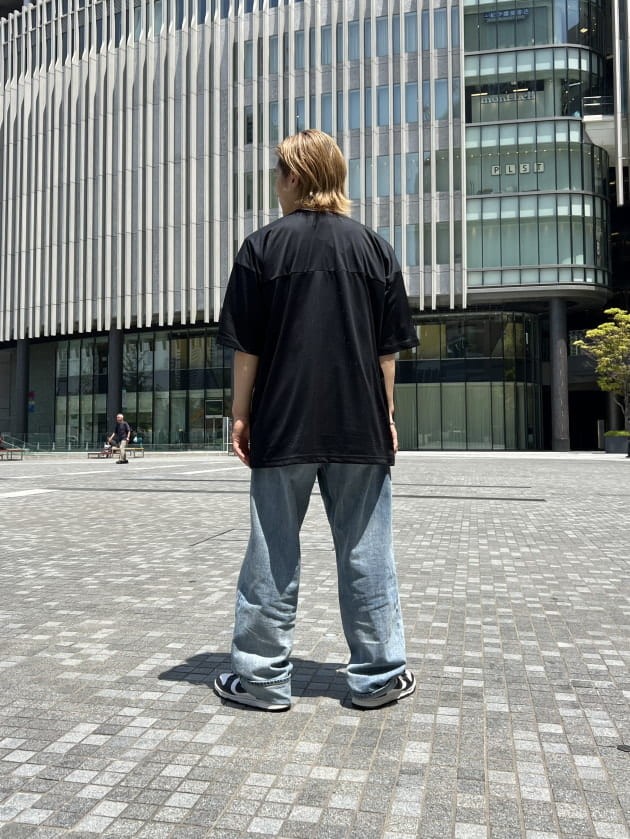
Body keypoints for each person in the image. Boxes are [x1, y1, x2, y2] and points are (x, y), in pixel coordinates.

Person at [214, 129, 419, 712]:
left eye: (278, 174)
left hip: (283, 422)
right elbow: (387, 353)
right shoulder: (375, 249)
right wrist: (386, 416)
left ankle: (261, 680)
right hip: (360, 425)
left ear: (295, 177)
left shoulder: (261, 248)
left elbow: (247, 349)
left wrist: (241, 415)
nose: (275, 186)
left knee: (272, 552)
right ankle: (378, 677)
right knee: (367, 552)